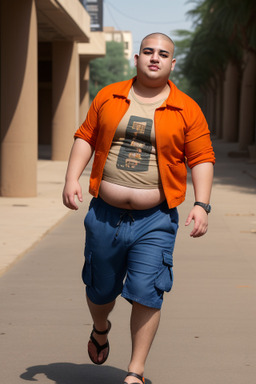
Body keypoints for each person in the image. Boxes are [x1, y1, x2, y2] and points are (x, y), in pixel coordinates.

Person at [62, 32, 215, 384]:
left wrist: (202, 204)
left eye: (163, 54)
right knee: (100, 288)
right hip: (104, 214)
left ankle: (136, 371)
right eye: (148, 51)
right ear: (137, 58)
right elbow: (85, 136)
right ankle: (100, 328)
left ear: (172, 63)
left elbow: (202, 158)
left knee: (148, 289)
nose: (155, 58)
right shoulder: (110, 95)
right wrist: (72, 178)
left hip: (155, 219)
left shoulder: (186, 108)